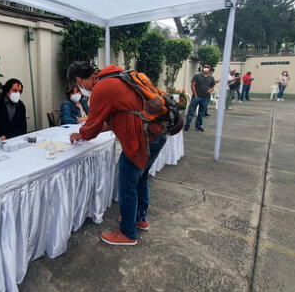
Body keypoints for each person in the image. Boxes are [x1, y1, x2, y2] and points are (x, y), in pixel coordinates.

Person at [67, 61, 167, 246]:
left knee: (127, 183)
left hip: (141, 139)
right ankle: (139, 219)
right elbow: (116, 118)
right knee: (140, 178)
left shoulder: (101, 88)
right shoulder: (117, 76)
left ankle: (128, 234)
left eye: (78, 85)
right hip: (157, 132)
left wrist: (80, 134)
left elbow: (93, 127)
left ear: (79, 80)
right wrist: (87, 131)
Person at [184, 64, 216, 132]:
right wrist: (195, 95)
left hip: (205, 98)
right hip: (196, 97)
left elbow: (212, 87)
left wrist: (210, 90)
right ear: (202, 68)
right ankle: (187, 125)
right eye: (205, 67)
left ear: (210, 69)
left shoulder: (211, 78)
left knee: (201, 113)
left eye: (207, 67)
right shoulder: (197, 76)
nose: (206, 68)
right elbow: (193, 85)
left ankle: (198, 126)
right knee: (191, 112)